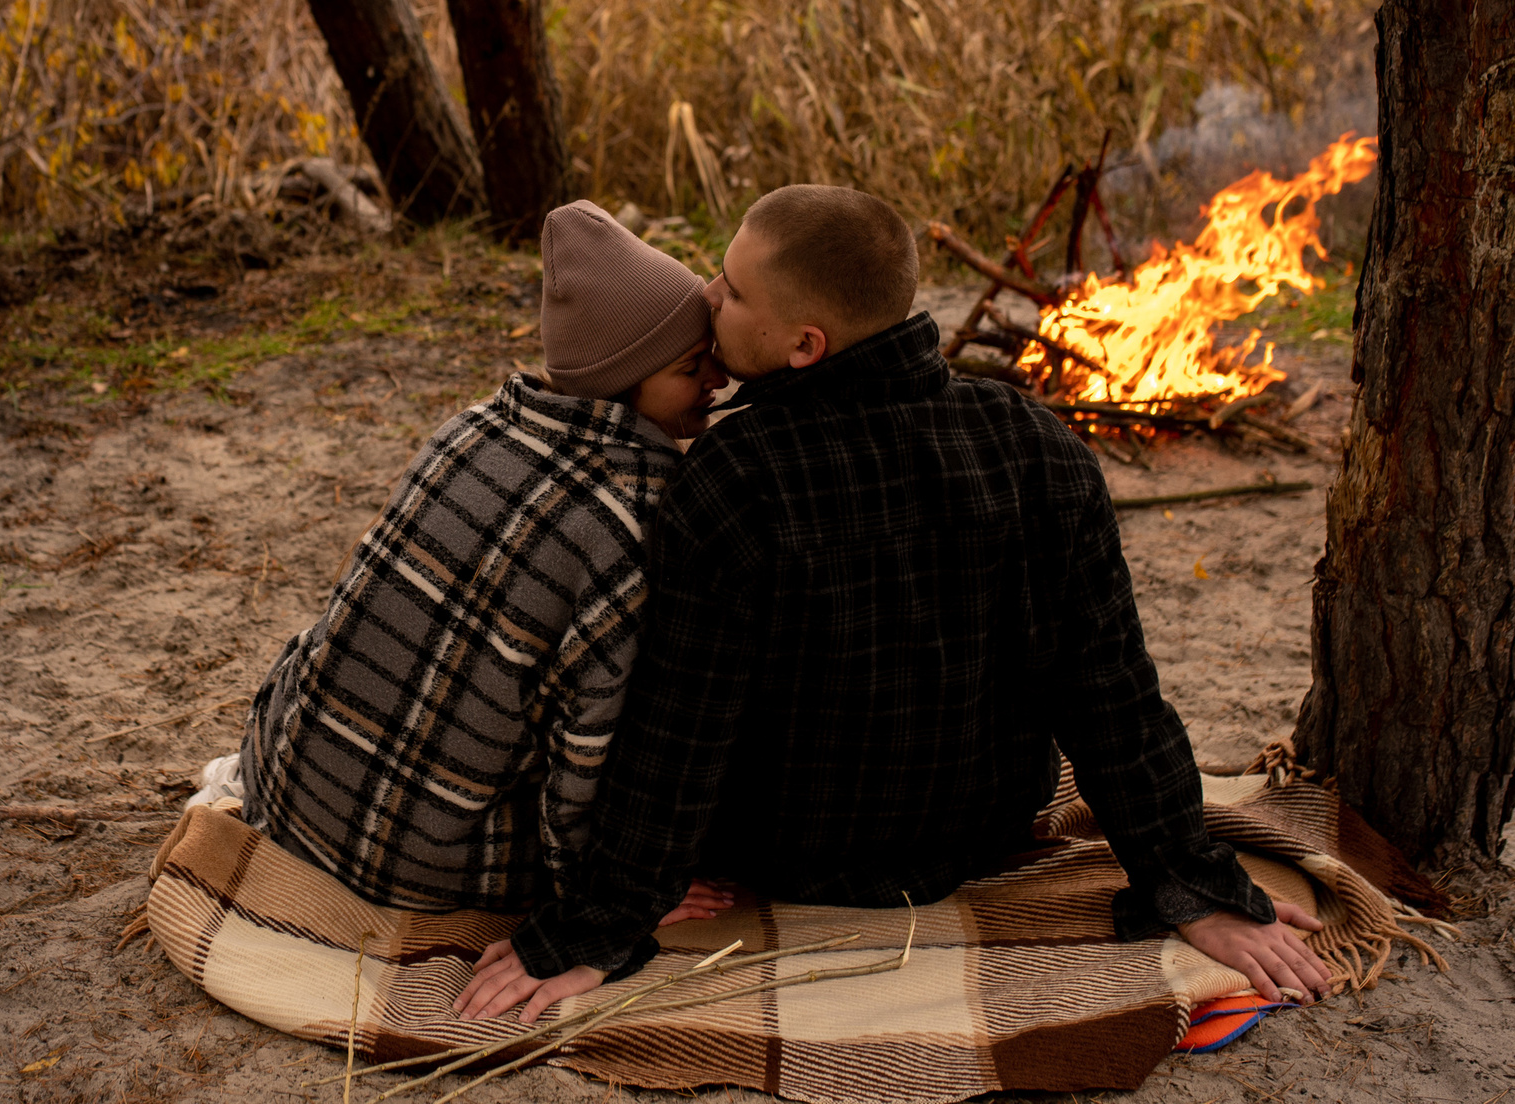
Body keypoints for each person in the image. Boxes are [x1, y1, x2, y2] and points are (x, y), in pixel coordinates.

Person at [455, 184, 1336, 1024]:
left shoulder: (736, 477)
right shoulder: (1039, 443)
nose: (706, 295)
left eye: (731, 289)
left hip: (783, 856)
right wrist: (1187, 879)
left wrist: (597, 925)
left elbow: (680, 740)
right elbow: (1111, 692)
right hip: (984, 834)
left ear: (805, 346)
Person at [233, 201, 732, 921]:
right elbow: (590, 741)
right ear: (622, 380)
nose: (717, 376)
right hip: (414, 864)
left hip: (292, 783)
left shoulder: (469, 426)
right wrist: (616, 888)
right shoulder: (636, 513)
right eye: (691, 366)